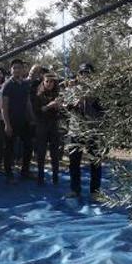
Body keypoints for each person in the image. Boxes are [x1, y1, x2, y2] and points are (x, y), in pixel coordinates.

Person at [66, 63, 105, 198]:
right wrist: (73, 103)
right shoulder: (72, 89)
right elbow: (66, 107)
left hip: (92, 130)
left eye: (87, 73)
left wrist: (89, 99)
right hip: (75, 130)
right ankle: (74, 189)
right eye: (82, 73)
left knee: (95, 161)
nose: (85, 76)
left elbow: (103, 110)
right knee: (74, 162)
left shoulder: (99, 91)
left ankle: (95, 191)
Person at [1, 59, 34, 184]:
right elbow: (3, 106)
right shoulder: (7, 85)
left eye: (19, 67)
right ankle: (9, 174)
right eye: (14, 68)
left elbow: (28, 102)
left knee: (28, 146)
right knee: (9, 149)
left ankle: (25, 171)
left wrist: (32, 118)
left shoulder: (25, 84)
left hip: (24, 121)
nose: (16, 70)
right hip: (12, 122)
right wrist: (7, 124)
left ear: (23, 69)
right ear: (11, 70)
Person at [33, 72, 64, 185]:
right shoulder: (38, 95)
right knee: (41, 152)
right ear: (43, 82)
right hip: (42, 125)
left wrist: (60, 106)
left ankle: (55, 177)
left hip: (54, 125)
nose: (50, 83)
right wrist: (49, 106)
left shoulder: (58, 94)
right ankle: (40, 177)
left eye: (52, 81)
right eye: (47, 81)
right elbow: (36, 111)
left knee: (54, 153)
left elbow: (63, 112)